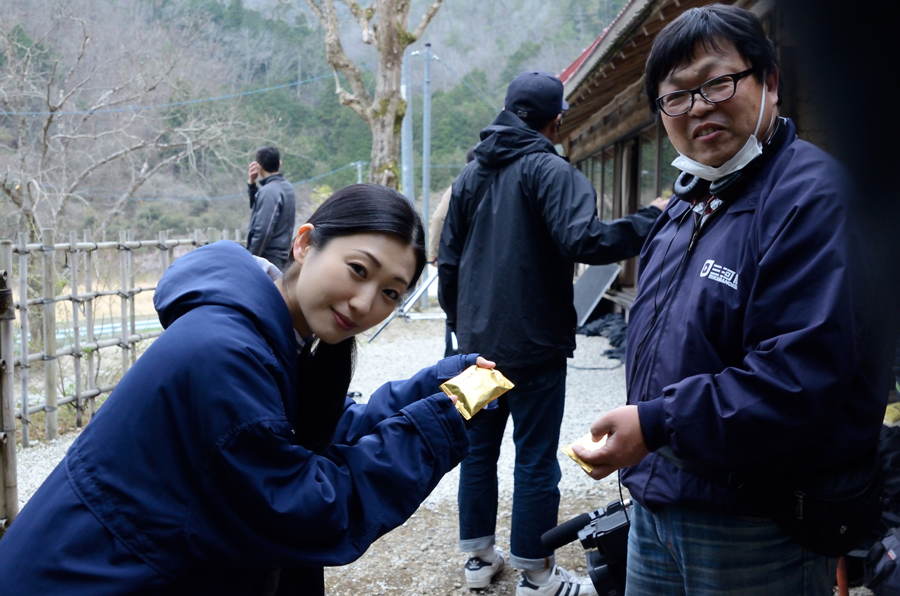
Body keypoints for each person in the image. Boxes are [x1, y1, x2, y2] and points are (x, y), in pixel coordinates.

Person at [0, 184, 495, 596]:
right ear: (305, 243)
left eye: (391, 292)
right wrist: (435, 426)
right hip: (83, 577)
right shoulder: (226, 352)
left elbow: (310, 434)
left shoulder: (275, 334)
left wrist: (430, 390)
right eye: (358, 270)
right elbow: (305, 508)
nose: (365, 302)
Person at [572, 5, 894, 595]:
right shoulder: (687, 203)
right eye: (677, 96)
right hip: (658, 499)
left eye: (718, 82)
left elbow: (799, 377)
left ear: (769, 81)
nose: (699, 107)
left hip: (756, 523)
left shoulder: (813, 199)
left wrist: (655, 421)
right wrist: (649, 437)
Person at [439, 70, 666, 595]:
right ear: (557, 120)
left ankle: (478, 559)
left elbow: (447, 261)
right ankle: (537, 574)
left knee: (477, 452)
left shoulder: (470, 177)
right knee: (535, 458)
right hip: (534, 344)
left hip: (475, 348)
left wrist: (462, 326)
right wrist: (649, 218)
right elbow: (584, 240)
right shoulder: (550, 170)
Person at [429, 146, 476, 358]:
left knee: (456, 311)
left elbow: (439, 217)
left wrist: (434, 252)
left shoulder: (462, 183)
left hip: (459, 259)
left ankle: (454, 358)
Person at [246, 145, 296, 269]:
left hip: (269, 259)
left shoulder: (269, 191)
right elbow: (257, 205)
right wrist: (252, 184)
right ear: (280, 164)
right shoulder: (288, 187)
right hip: (283, 256)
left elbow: (263, 230)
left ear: (259, 167)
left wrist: (251, 259)